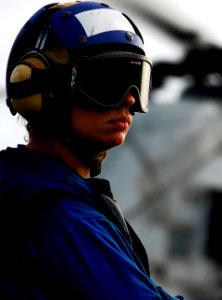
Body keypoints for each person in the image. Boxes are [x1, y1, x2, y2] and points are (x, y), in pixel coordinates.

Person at [0, 1, 185, 299]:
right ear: (41, 89)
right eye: (108, 81)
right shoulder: (64, 218)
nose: (129, 101)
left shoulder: (18, 187)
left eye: (137, 83)